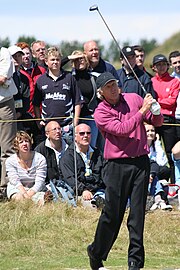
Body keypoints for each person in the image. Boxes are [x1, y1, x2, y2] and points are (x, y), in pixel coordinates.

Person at [87, 72, 163, 270]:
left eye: (114, 84)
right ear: (101, 92)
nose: (114, 88)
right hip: (116, 166)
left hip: (140, 163)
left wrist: (155, 110)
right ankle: (96, 253)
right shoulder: (100, 112)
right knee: (113, 214)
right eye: (109, 86)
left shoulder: (133, 98)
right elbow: (122, 129)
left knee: (138, 215)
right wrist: (142, 111)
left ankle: (135, 263)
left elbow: (157, 122)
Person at [33, 46, 84, 145]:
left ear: (61, 61)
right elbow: (36, 104)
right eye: (52, 60)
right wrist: (38, 122)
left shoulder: (69, 78)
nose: (55, 62)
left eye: (57, 59)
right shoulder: (41, 80)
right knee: (50, 157)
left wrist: (75, 122)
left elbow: (78, 101)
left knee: (68, 156)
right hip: (48, 127)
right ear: (46, 62)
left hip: (67, 127)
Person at [59, 123, 105, 209]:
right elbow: (69, 178)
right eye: (82, 133)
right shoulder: (68, 156)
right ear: (75, 137)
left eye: (88, 133)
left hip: (98, 190)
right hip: (79, 193)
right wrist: (83, 190)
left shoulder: (97, 153)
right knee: (92, 206)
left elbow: (104, 174)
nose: (85, 136)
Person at [151, 54, 180, 182]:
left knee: (170, 152)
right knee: (152, 150)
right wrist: (161, 101)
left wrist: (157, 101)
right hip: (154, 118)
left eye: (163, 64)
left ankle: (173, 183)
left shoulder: (174, 81)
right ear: (154, 68)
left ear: (168, 66)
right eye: (158, 65)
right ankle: (155, 181)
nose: (161, 67)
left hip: (168, 119)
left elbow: (172, 102)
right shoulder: (151, 82)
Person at [5, 131, 47, 204]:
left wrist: (30, 194)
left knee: (41, 201)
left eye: (26, 141)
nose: (24, 144)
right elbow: (15, 181)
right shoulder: (10, 161)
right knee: (19, 198)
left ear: (30, 143)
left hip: (35, 188)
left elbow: (40, 181)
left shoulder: (40, 158)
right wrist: (25, 194)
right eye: (21, 142)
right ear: (16, 146)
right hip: (18, 188)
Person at [70, 50, 99, 148]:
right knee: (74, 148)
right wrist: (70, 57)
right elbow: (58, 66)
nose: (80, 61)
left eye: (82, 58)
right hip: (73, 119)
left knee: (91, 147)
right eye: (76, 60)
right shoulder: (69, 78)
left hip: (90, 118)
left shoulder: (93, 78)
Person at [0, 46, 18, 187]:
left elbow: (2, 78)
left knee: (7, 148)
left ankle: (6, 186)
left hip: (4, 104)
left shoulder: (4, 53)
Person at [145, 123, 172, 211]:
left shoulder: (156, 145)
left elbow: (162, 162)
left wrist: (157, 143)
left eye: (152, 130)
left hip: (153, 172)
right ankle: (160, 201)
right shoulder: (140, 146)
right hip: (145, 172)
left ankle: (158, 200)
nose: (150, 133)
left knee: (165, 170)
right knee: (154, 174)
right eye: (147, 131)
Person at [8, 45, 30, 131]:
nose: (17, 58)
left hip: (20, 117)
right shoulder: (3, 77)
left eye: (19, 56)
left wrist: (18, 114)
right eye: (14, 56)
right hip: (5, 118)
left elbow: (26, 101)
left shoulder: (24, 78)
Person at [169, 50, 180, 141]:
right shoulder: (170, 80)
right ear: (171, 65)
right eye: (175, 63)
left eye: (179, 62)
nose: (178, 64)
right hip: (175, 117)